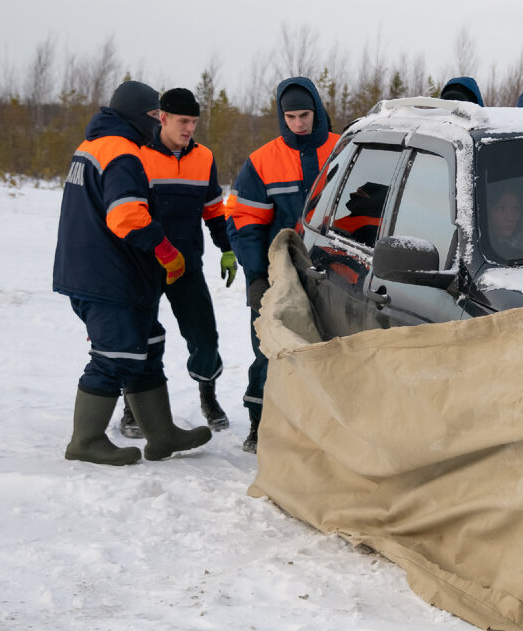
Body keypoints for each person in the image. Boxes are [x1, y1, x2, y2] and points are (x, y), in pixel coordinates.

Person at [52, 81, 212, 465]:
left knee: (147, 344)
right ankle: (86, 440)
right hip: (106, 274)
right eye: (155, 116)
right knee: (114, 354)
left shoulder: (92, 146)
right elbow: (126, 216)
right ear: (138, 116)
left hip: (96, 269)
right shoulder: (121, 153)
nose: (159, 122)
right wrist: (167, 251)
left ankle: (162, 434)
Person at [228, 77, 342, 452]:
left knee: (331, 350)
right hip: (281, 274)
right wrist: (255, 276)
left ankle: (326, 427)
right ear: (281, 116)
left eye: (305, 115)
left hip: (337, 272)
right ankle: (259, 424)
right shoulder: (262, 162)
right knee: (270, 350)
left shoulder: (343, 149)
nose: (299, 123)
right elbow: (246, 225)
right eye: (290, 116)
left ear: (317, 111)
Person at [118, 88, 234, 439]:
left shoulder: (204, 157)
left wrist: (227, 248)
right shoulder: (137, 156)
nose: (189, 129)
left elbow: (213, 210)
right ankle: (131, 409)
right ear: (162, 118)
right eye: (183, 121)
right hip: (144, 264)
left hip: (186, 264)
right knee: (140, 337)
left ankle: (207, 396)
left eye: (194, 122)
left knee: (205, 337)